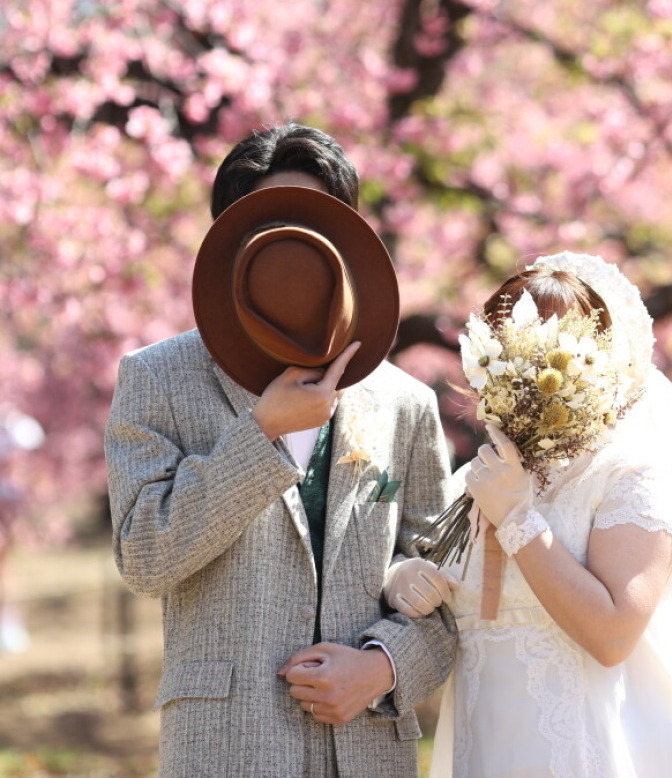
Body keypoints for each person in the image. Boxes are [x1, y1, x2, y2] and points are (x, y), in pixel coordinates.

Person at [105, 123, 456, 778]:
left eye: (320, 222)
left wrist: (383, 666)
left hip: (370, 749)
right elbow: (145, 557)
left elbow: (445, 579)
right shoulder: (158, 377)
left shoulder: (405, 402)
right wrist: (260, 432)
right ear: (230, 243)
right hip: (225, 749)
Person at [384, 252, 672, 778]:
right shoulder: (474, 480)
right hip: (485, 752)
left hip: (593, 750)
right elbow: (440, 592)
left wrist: (520, 520)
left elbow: (614, 634)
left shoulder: (631, 472)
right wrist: (400, 577)